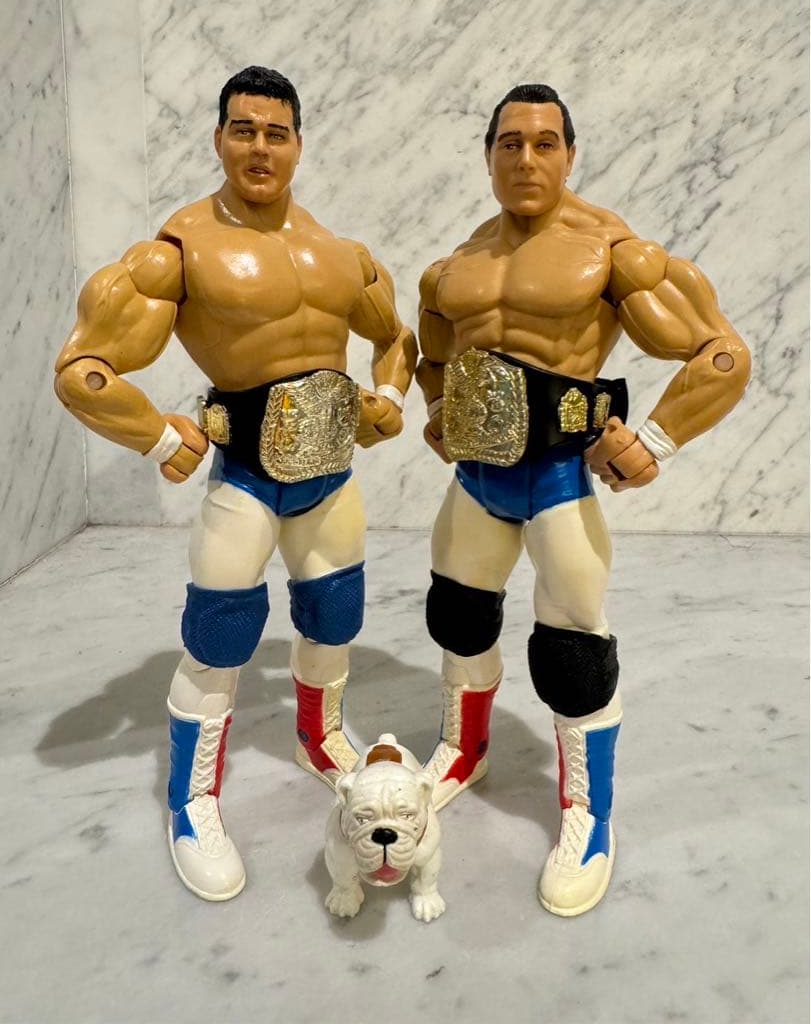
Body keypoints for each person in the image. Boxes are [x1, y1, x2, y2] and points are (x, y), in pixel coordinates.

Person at [55, 66, 416, 902]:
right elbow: (83, 369)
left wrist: (389, 399)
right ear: (218, 138)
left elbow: (397, 340)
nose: (260, 147)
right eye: (243, 129)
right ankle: (191, 801)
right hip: (245, 478)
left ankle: (318, 736)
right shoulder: (179, 251)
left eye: (275, 132)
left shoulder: (339, 253)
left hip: (332, 478)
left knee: (334, 616)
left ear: (298, 144)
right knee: (220, 637)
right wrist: (157, 434)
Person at [416, 83, 750, 917]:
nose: (526, 159)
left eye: (544, 143)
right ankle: (464, 749)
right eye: (510, 143)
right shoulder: (456, 263)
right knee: (457, 617)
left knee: (571, 651)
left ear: (569, 154)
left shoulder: (611, 251)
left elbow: (720, 353)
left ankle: (587, 812)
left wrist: (655, 440)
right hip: (475, 481)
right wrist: (439, 410)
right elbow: (432, 353)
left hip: (560, 478)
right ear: (487, 155)